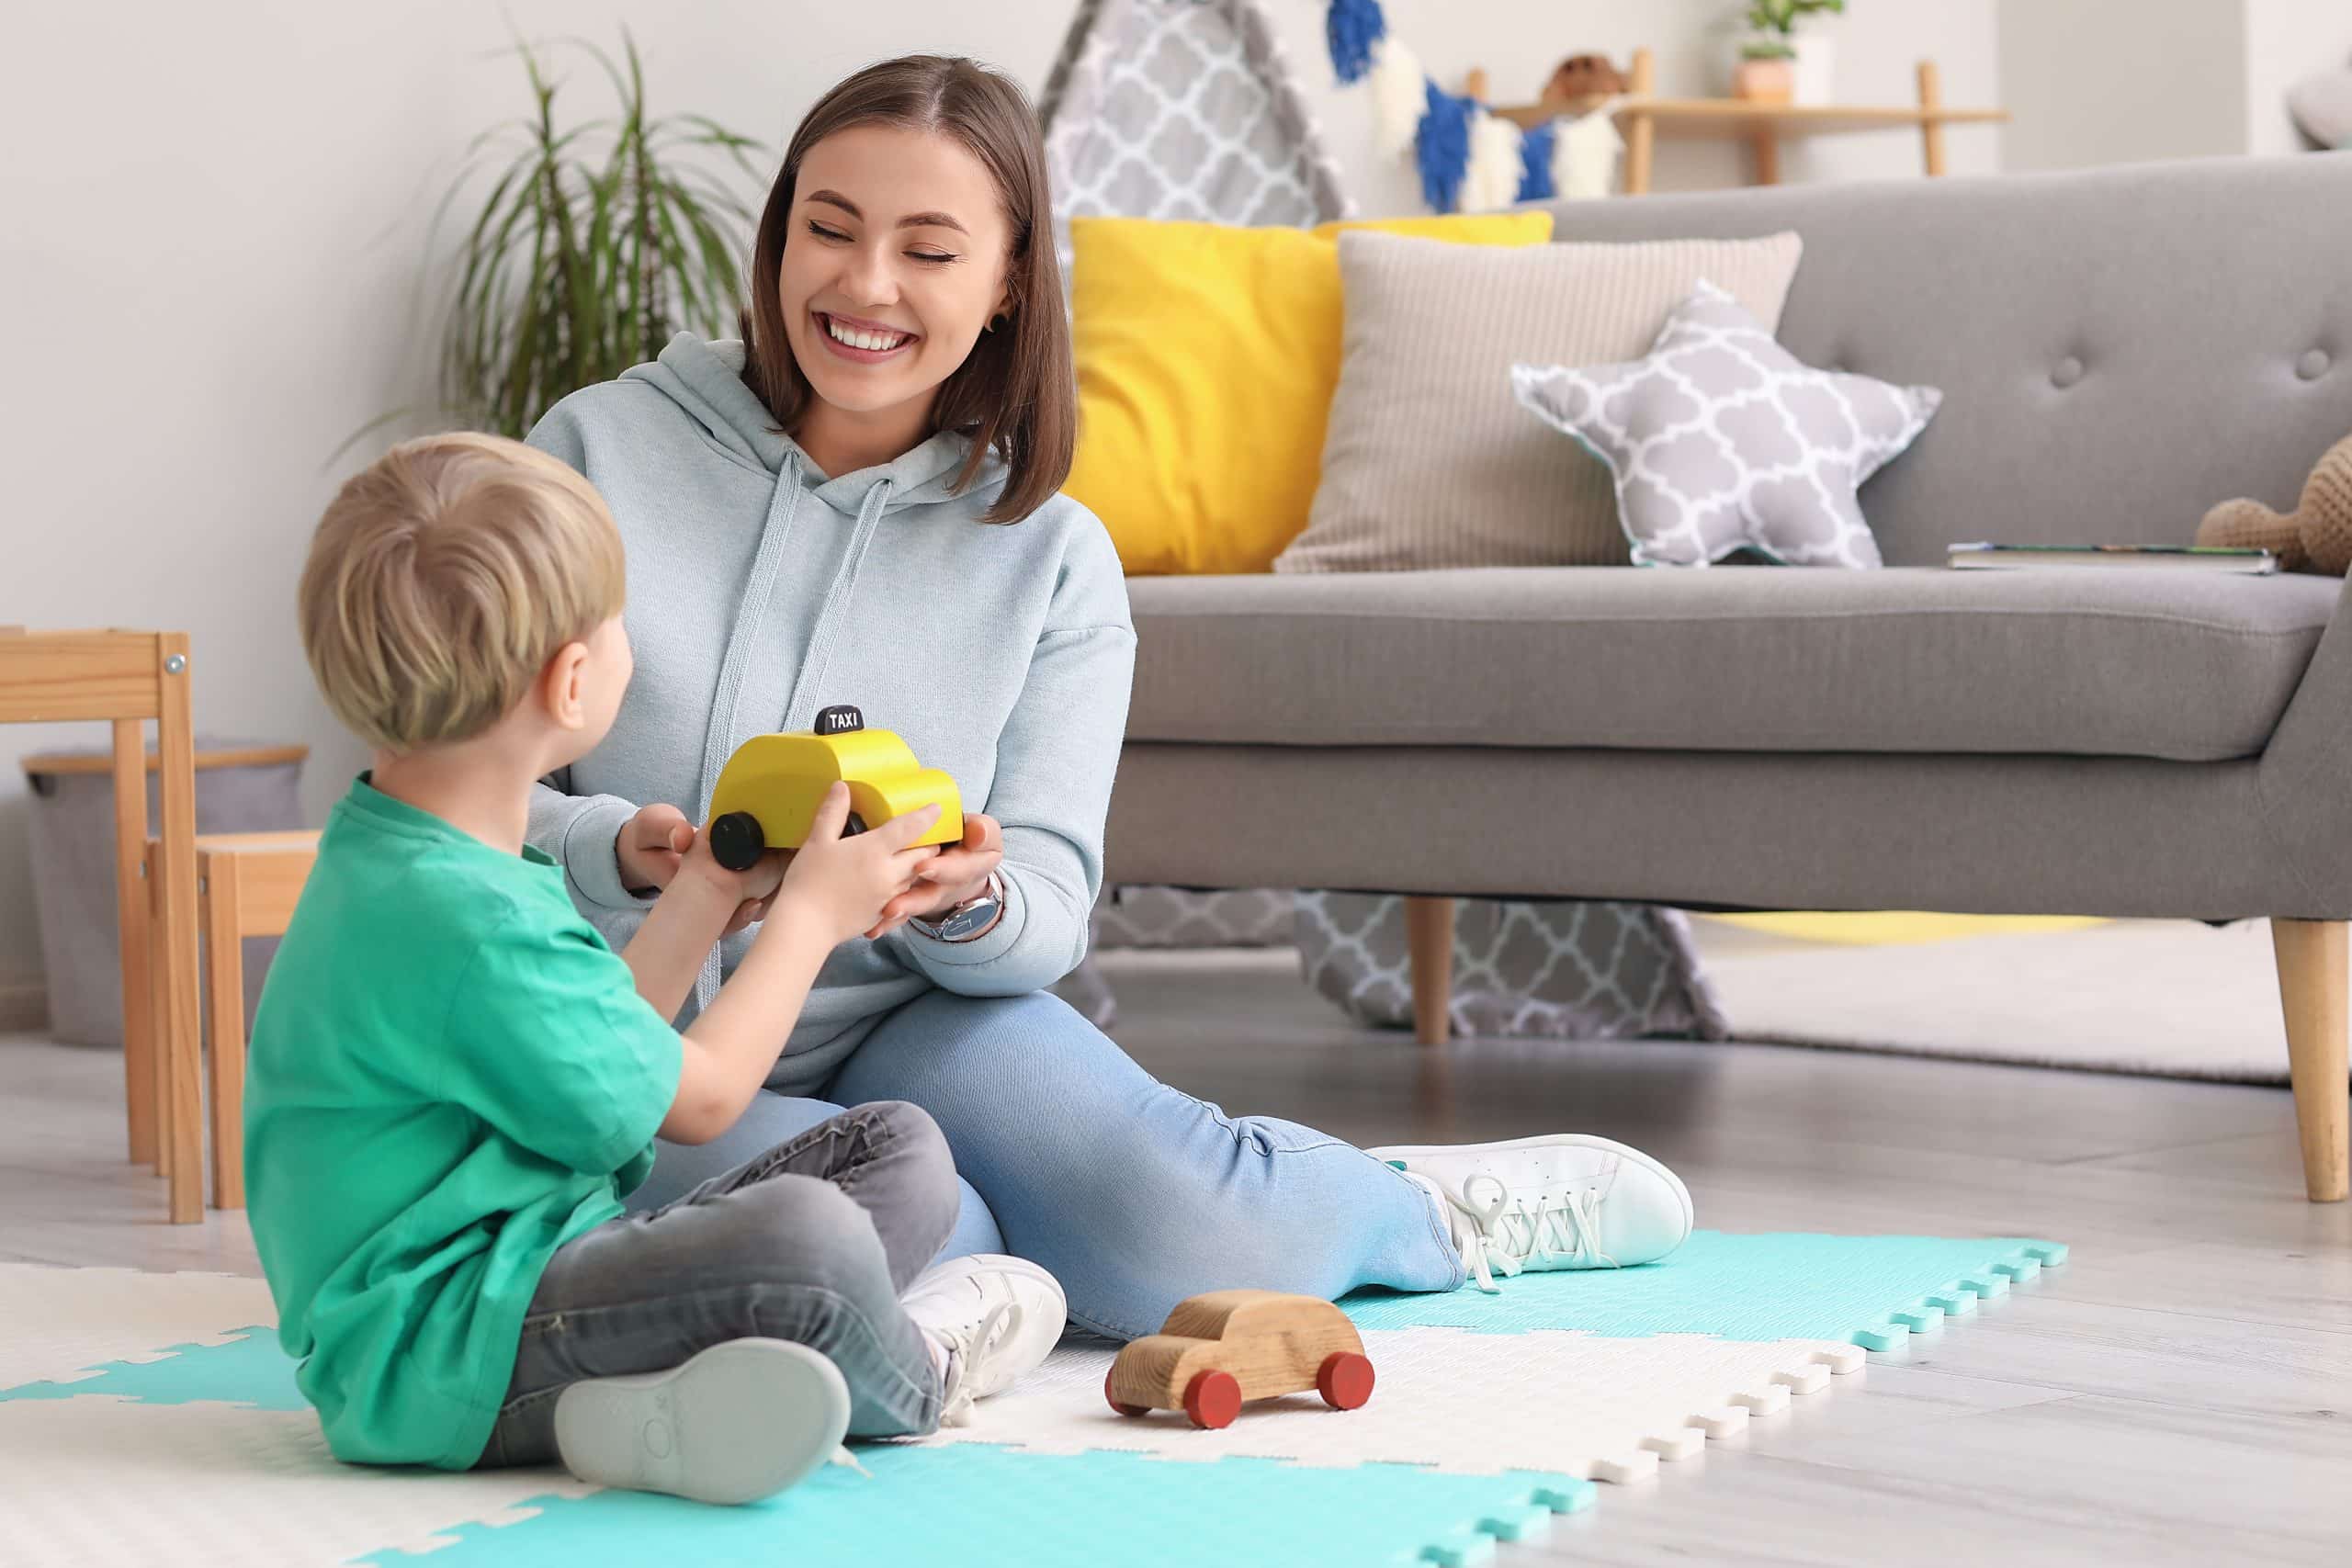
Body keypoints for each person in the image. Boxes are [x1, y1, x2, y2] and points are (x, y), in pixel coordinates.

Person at [526, 54, 1695, 1345]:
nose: (863, 286)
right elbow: (444, 796)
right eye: (831, 229)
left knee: (1176, 1245)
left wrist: (963, 896)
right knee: (872, 1222)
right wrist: (611, 846)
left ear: (1009, 280)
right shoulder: (594, 455)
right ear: (781, 230)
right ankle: (992, 1244)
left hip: (914, 1016)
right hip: (630, 1037)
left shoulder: (1051, 551)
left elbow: (1049, 908)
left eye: (929, 249)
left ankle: (1420, 1209)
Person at [243, 433, 1064, 1506]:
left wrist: (711, 890)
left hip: (533, 1284)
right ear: (572, 678)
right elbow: (699, 1101)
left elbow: (606, 1067)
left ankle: (663, 1403)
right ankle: (916, 1366)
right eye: (617, 621)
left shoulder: (419, 856)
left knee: (896, 1144)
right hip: (440, 1357)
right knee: (805, 1239)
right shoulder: (462, 914)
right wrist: (810, 918)